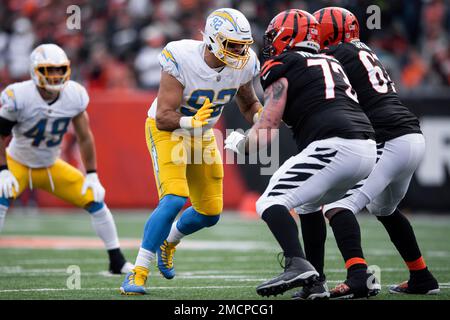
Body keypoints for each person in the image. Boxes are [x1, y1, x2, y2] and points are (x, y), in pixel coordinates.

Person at [225, 9, 379, 299]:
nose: (270, 43)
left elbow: (268, 126)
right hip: (366, 147)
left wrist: (240, 144)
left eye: (273, 37)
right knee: (309, 205)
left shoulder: (282, 64)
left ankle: (296, 263)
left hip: (335, 144)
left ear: (286, 36)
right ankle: (315, 282)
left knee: (270, 201)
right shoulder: (331, 60)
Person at [120, 8, 263, 295]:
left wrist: (265, 118)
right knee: (174, 199)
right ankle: (137, 272)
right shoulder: (181, 56)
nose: (239, 51)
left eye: (243, 45)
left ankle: (169, 241)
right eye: (232, 44)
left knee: (210, 213)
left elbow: (248, 104)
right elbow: (163, 115)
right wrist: (190, 122)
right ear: (212, 39)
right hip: (169, 130)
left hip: (202, 134)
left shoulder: (244, 65)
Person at [300, 7, 439, 298]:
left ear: (328, 32)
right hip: (410, 137)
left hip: (389, 138)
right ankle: (421, 276)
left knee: (338, 206)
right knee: (383, 209)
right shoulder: (363, 51)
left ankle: (358, 276)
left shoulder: (336, 55)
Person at [0, 44, 132, 274]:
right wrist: (2, 169)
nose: (55, 76)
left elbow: (85, 137)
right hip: (17, 162)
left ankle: (117, 261)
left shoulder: (74, 94)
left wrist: (92, 175)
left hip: (51, 165)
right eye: (49, 70)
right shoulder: (18, 95)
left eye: (59, 70)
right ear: (35, 71)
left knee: (96, 201)